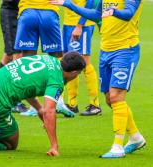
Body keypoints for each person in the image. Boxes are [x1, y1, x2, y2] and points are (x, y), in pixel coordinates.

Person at [50, 0, 146, 158]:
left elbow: (128, 13)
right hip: (105, 50)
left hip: (125, 50)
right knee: (109, 99)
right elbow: (96, 14)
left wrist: (115, 12)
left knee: (116, 96)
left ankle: (117, 146)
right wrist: (69, 4)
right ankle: (135, 137)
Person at [62, 0, 101, 116]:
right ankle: (72, 104)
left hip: (81, 24)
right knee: (69, 63)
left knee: (85, 63)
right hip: (68, 23)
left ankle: (95, 105)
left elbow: (90, 2)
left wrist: (80, 25)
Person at [0, 0, 29, 113]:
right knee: (15, 53)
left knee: (9, 55)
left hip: (21, 14)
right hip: (10, 13)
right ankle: (15, 101)